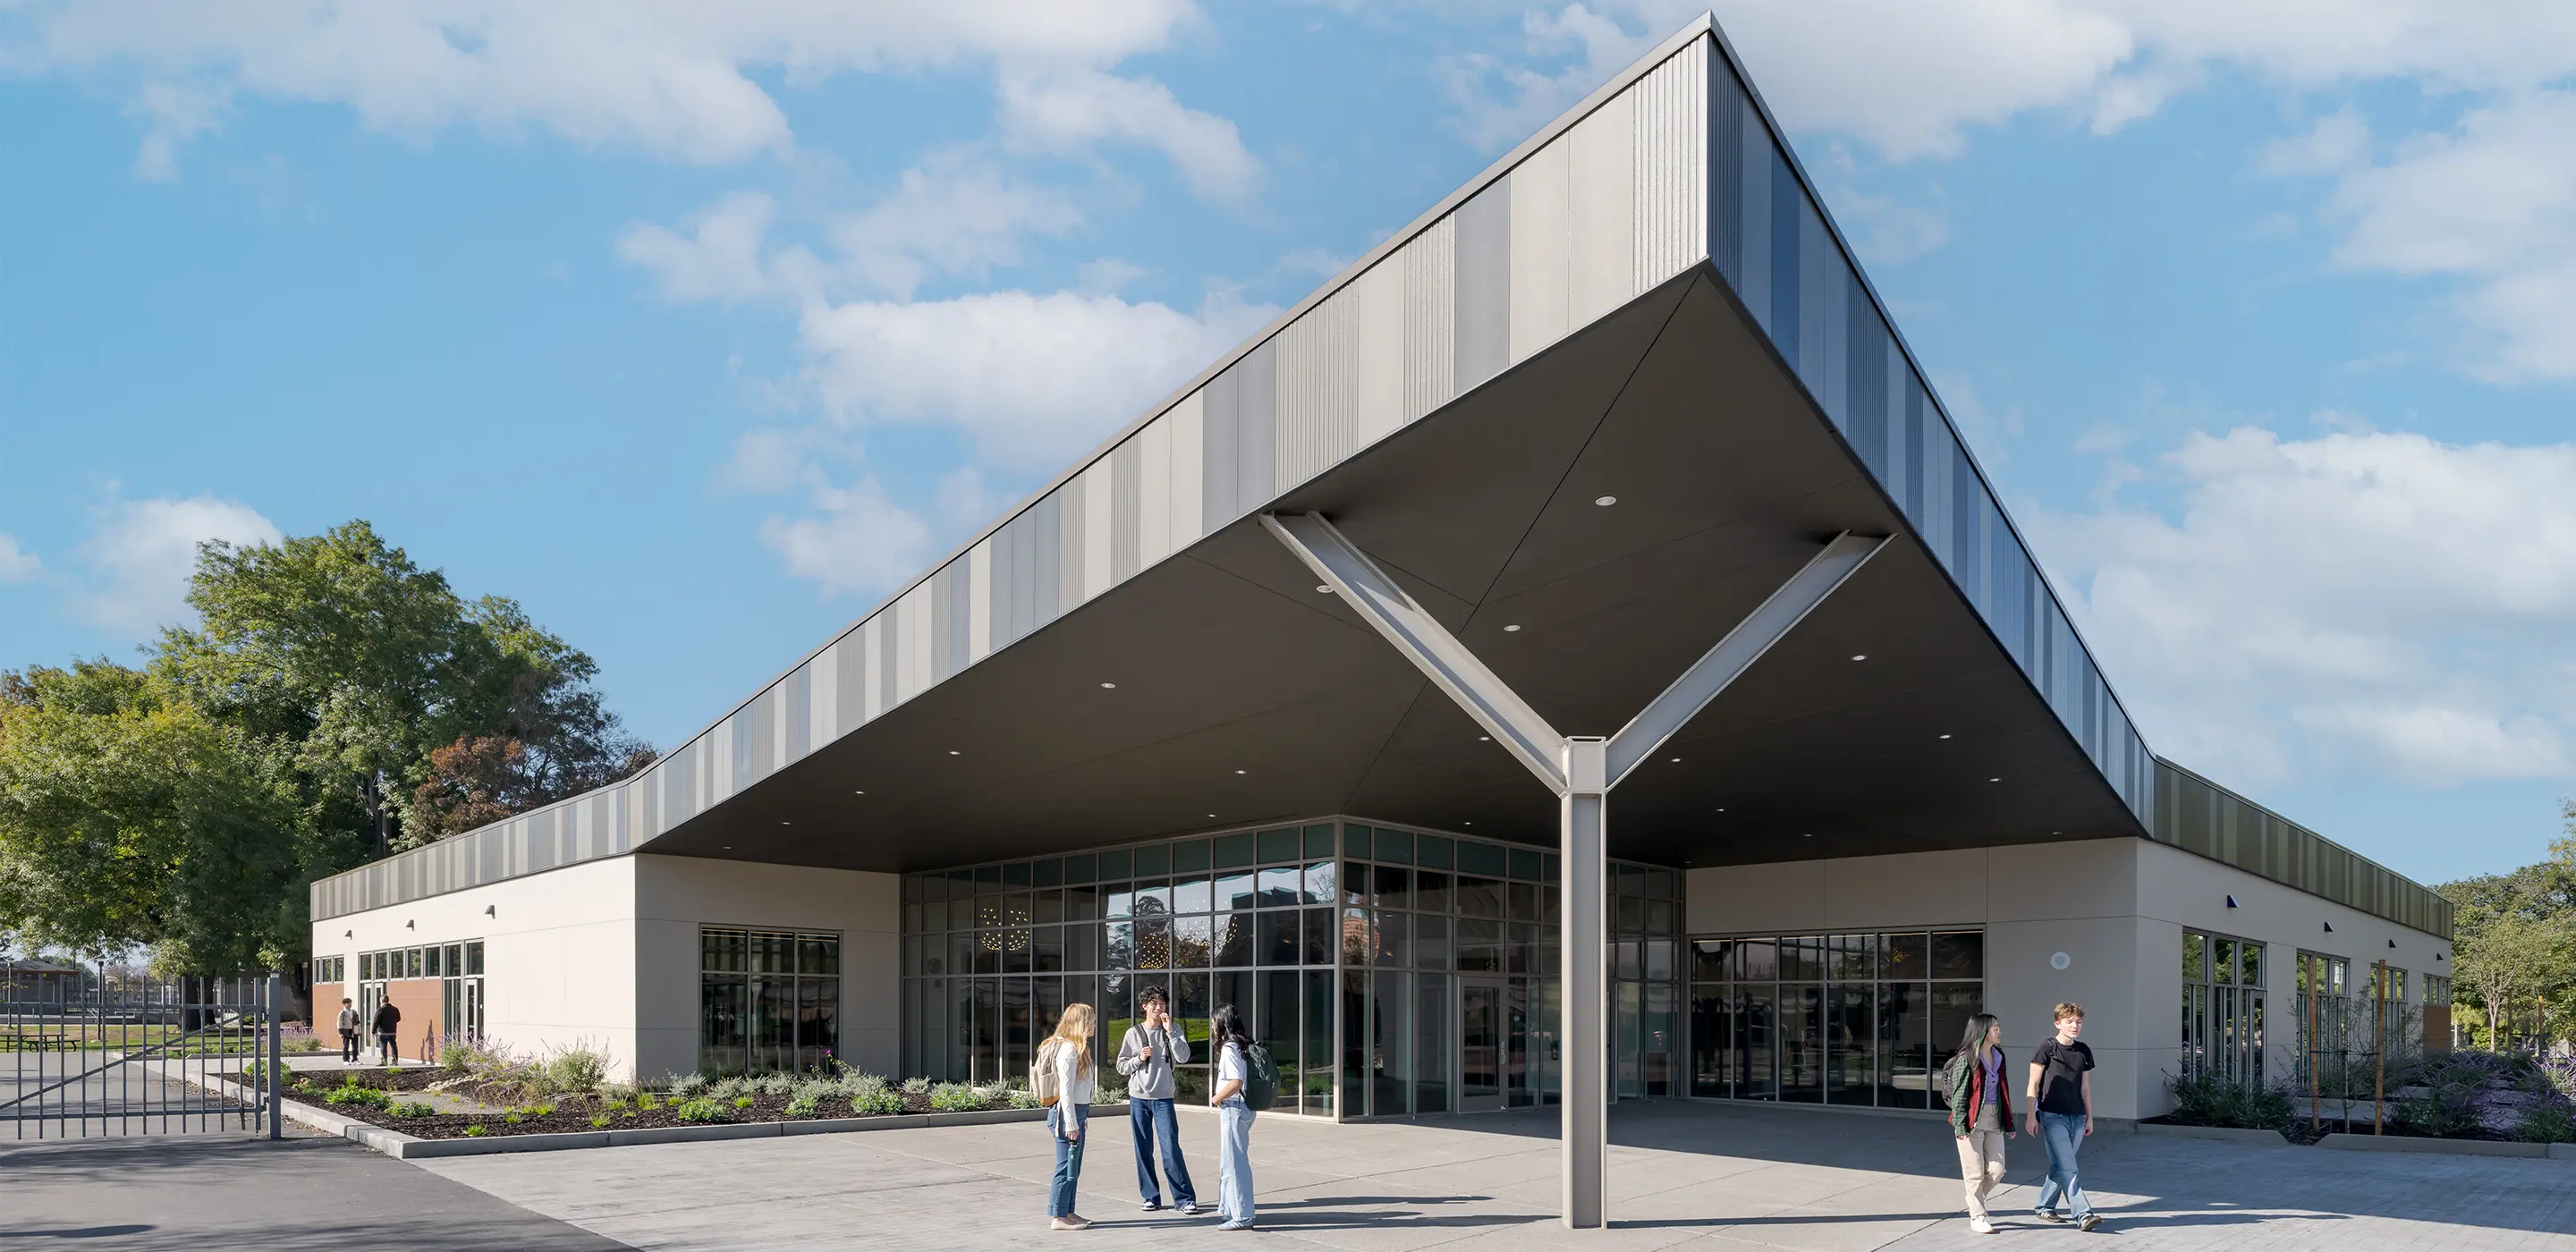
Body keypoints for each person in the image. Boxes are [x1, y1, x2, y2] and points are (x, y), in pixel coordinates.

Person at [1116, 986, 1199, 1214]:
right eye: (1153, 1003)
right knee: (1143, 1149)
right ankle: (1150, 1197)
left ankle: (1185, 1199)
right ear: (1144, 1006)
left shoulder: (1173, 1030)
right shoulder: (1133, 1033)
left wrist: (1171, 1032)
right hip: (1138, 1099)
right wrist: (1139, 1058)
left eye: (1162, 1003)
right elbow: (1121, 1066)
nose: (1158, 1007)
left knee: (1171, 1149)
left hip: (1164, 1099)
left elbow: (1183, 1057)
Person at [2025, 1002, 2101, 1232]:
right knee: (2069, 1167)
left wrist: (2089, 1117)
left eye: (2078, 1021)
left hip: (2077, 1116)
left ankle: (2044, 1206)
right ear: (2058, 1023)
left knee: (2062, 1165)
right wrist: (2031, 1115)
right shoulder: (2046, 1048)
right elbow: (2033, 1083)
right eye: (2069, 1021)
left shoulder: (2084, 1051)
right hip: (2052, 1115)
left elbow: (2085, 1087)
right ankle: (2083, 1214)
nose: (2075, 1025)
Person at [1944, 1013, 2014, 1234]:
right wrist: (1960, 1124)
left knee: (1997, 1170)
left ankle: (1973, 1200)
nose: (1999, 1031)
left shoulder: (1999, 1056)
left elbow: (2003, 1091)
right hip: (1972, 1120)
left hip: (1994, 1118)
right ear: (1982, 1031)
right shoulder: (1967, 1058)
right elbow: (1959, 1095)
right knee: (1974, 1173)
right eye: (1995, 1028)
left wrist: (2009, 1123)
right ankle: (1978, 1216)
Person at [1040, 1002, 1100, 1231]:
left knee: (1074, 1167)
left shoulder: (1080, 1049)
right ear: (1081, 1023)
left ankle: (1068, 1211)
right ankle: (1058, 1216)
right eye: (1091, 1020)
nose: (1094, 1024)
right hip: (1066, 1114)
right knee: (1065, 1166)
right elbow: (1065, 1090)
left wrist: (1083, 1118)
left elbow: (1081, 1089)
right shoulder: (1068, 1050)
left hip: (1077, 1113)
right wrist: (1072, 1122)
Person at [1207, 1003, 1257, 1231]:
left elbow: (1235, 1082)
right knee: (1229, 1161)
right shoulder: (1243, 1045)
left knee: (1234, 1164)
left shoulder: (1229, 1047)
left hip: (1234, 1108)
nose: (1211, 1026)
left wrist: (1216, 1098)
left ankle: (1242, 1215)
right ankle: (1228, 1209)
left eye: (1213, 1021)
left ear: (1221, 1023)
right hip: (1243, 1108)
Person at [336, 998, 361, 1063]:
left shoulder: (354, 1012)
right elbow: (339, 1023)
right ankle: (346, 1060)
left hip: (354, 1029)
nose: (350, 1004)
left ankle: (355, 1059)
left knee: (355, 1045)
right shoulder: (342, 1013)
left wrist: (359, 1030)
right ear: (344, 1004)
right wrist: (340, 1032)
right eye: (348, 1003)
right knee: (346, 1046)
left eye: (350, 1003)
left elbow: (358, 1022)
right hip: (346, 1030)